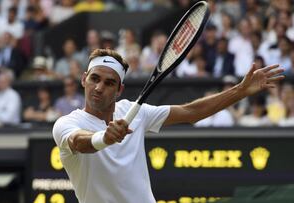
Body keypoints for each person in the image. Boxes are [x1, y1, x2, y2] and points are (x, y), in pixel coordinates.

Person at [52, 49, 284, 203]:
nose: (99, 87)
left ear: (119, 89)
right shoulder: (66, 124)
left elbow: (192, 112)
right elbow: (79, 141)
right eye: (95, 79)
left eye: (109, 82)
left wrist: (240, 91)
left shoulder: (135, 111)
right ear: (84, 79)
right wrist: (104, 137)